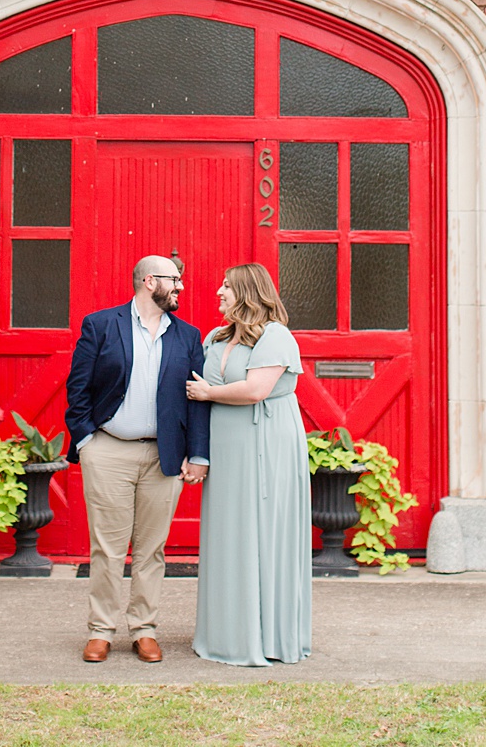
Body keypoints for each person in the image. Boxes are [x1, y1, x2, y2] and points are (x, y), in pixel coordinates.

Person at [63, 253, 210, 664]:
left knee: (152, 549)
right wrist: (87, 441)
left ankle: (144, 629)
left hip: (164, 456)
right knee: (107, 548)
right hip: (108, 450)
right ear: (149, 281)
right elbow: (78, 391)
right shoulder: (101, 325)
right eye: (174, 280)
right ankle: (101, 631)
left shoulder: (188, 336)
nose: (180, 287)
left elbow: (196, 401)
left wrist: (197, 453)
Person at [184, 262, 313, 667]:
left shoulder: (276, 336)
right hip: (226, 445)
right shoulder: (216, 337)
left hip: (265, 443)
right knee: (228, 532)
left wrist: (206, 394)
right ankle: (226, 632)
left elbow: (257, 389)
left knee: (264, 531)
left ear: (247, 292)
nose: (218, 292)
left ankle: (268, 636)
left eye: (226, 286)